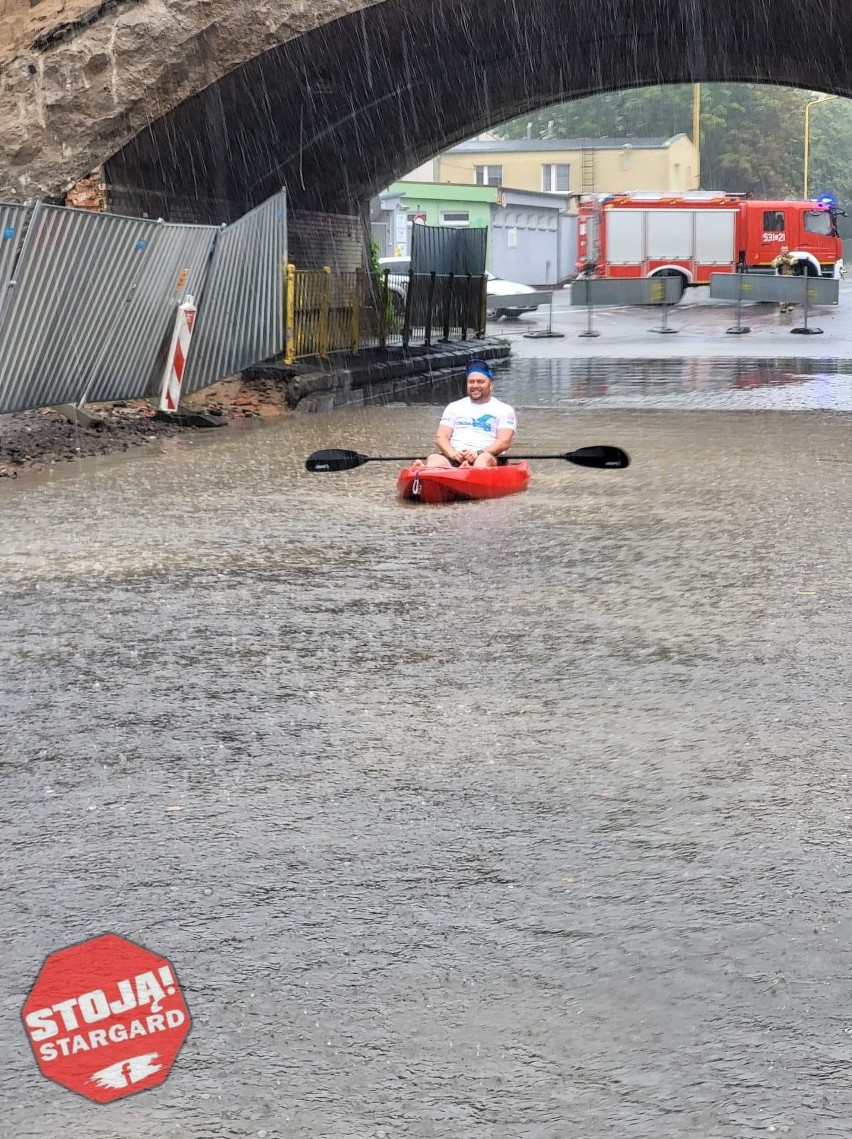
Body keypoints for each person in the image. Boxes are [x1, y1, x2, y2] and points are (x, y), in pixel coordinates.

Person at [412, 360, 516, 470]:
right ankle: (426, 471)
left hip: (487, 456)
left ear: (491, 385)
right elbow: (440, 437)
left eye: (480, 382)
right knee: (434, 458)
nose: (475, 385)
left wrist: (478, 453)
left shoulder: (504, 409)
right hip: (456, 457)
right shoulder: (453, 407)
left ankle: (470, 472)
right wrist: (453, 454)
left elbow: (504, 442)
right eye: (471, 382)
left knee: (483, 459)